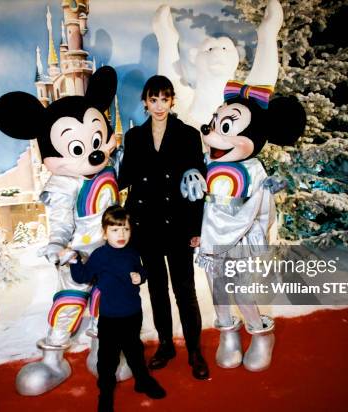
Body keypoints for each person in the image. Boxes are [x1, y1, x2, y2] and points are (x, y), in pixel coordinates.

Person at [118, 75, 209, 380]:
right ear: (145, 102)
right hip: (146, 226)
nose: (159, 106)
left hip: (179, 224)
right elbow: (125, 182)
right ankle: (166, 345)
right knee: (157, 290)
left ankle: (194, 350)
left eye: (164, 99)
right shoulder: (133, 139)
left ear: (172, 101)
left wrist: (196, 227)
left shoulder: (188, 135)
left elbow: (197, 184)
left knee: (185, 290)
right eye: (153, 99)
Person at [67, 206, 166, 412]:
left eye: (125, 230)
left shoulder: (132, 252)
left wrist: (142, 277)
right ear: (104, 232)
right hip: (110, 317)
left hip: (132, 313)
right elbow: (82, 277)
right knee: (107, 359)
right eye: (115, 230)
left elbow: (140, 270)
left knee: (135, 351)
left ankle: (143, 381)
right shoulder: (100, 255)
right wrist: (75, 261)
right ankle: (105, 391)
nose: (121, 234)